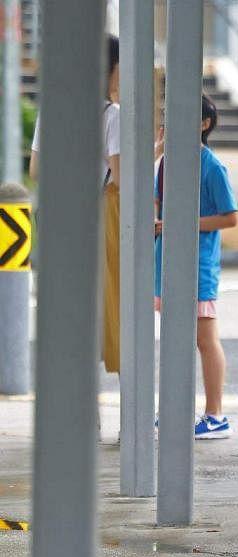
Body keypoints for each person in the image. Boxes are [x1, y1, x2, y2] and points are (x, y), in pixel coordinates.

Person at [31, 34, 122, 375]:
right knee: (99, 312)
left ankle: (71, 402)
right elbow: (121, 178)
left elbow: (36, 170)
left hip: (56, 219)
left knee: (65, 310)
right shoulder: (111, 115)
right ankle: (89, 411)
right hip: (94, 222)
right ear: (110, 69)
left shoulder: (51, 108)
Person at [154, 95, 238, 439]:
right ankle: (175, 409)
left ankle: (215, 414)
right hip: (167, 260)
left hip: (198, 264)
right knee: (175, 339)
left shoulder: (212, 166)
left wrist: (180, 223)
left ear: (205, 124)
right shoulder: (165, 162)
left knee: (205, 339)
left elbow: (230, 217)